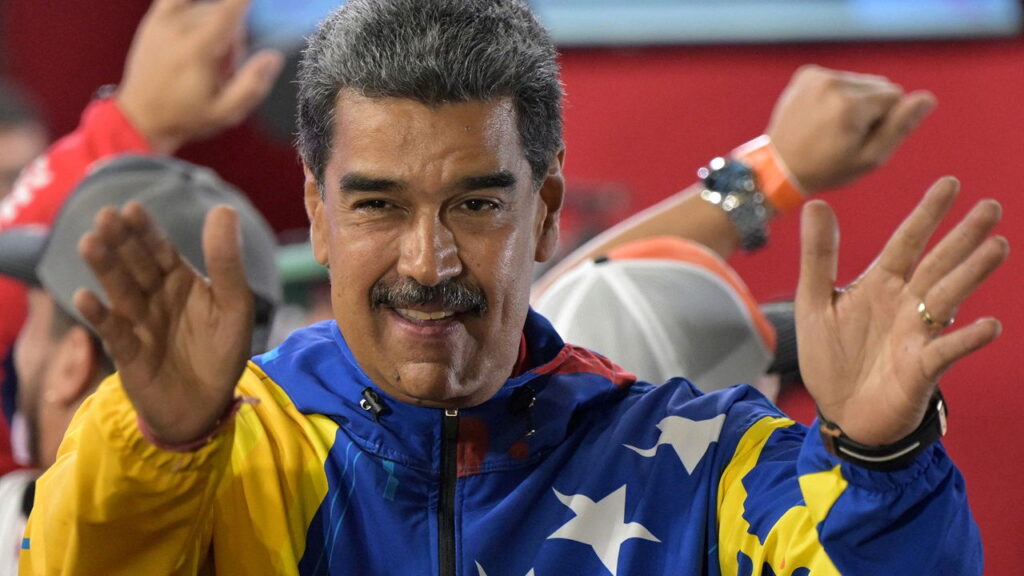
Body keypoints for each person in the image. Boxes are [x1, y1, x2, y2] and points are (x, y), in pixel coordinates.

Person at [24, 1, 1007, 575]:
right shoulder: (223, 451)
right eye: (377, 206)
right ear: (318, 215)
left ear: (544, 213)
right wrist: (162, 449)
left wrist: (880, 459)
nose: (427, 262)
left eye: (476, 205)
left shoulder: (703, 461)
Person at [0, 0, 283, 471]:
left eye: (37, 311)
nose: (19, 348)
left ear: (71, 364)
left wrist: (131, 122)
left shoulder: (44, 512)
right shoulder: (295, 482)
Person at [0, 154, 282, 573]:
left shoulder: (16, 523)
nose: (19, 350)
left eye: (33, 323)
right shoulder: (298, 506)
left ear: (72, 363)